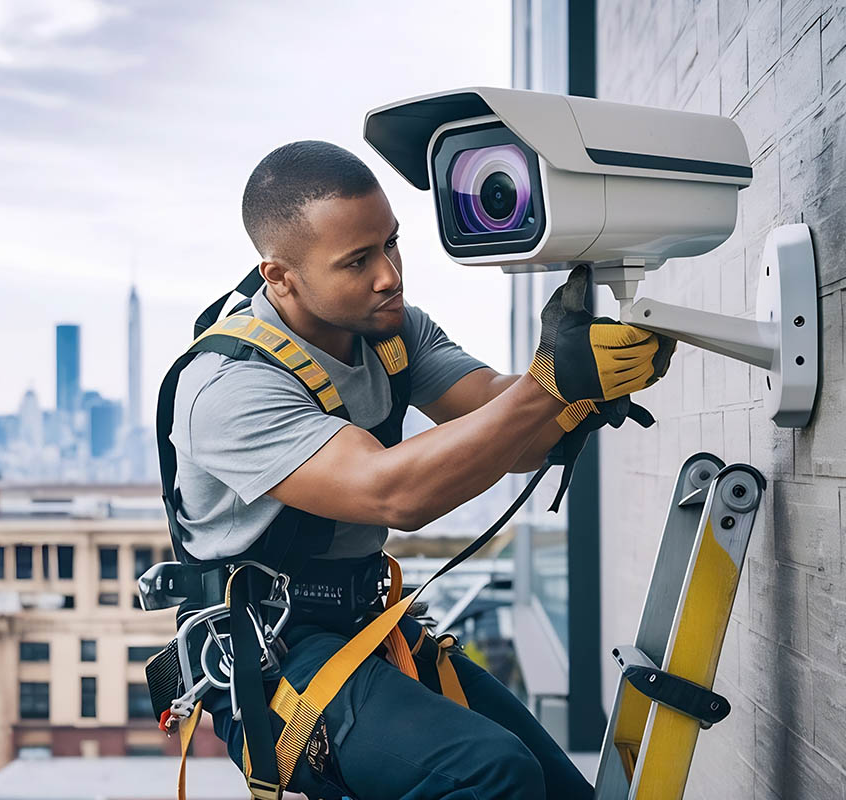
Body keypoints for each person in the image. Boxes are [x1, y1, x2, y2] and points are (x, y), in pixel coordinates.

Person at [160, 140, 672, 800]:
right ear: (280, 276)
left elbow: (503, 424)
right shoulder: (229, 385)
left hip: (368, 625)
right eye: (357, 261)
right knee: (491, 772)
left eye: (391, 244)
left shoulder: (391, 331)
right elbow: (393, 494)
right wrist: (548, 385)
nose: (389, 276)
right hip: (270, 658)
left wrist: (579, 394)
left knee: (556, 791)